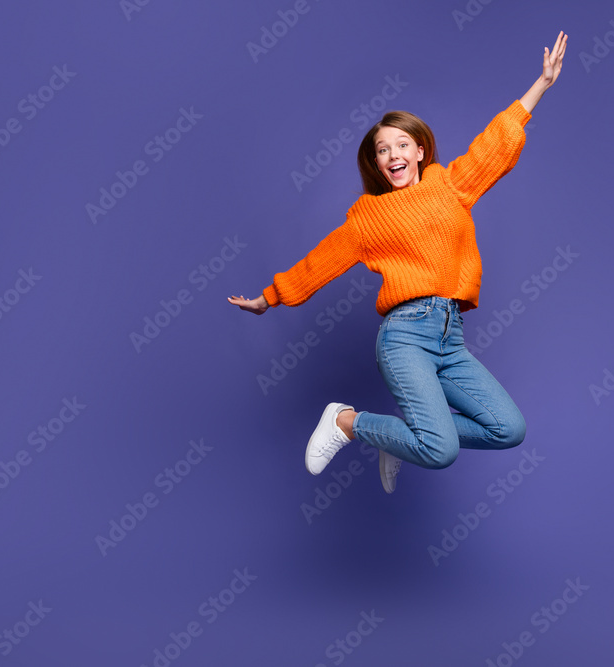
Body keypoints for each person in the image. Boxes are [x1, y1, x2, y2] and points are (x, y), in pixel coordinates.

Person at [230, 30, 567, 494]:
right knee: (441, 450)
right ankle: (347, 421)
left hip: (450, 337)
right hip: (405, 336)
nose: (392, 155)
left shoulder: (449, 186)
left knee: (508, 429)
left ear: (420, 150)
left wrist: (541, 86)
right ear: (377, 163)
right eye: (382, 150)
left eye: (401, 145)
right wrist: (269, 299)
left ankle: (401, 441)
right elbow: (322, 260)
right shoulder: (368, 216)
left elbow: (495, 144)